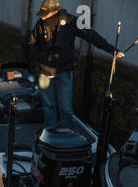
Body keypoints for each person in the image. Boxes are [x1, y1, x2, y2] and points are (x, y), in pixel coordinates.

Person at [28, 0, 125, 128]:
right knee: (48, 107)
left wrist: (112, 50)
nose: (43, 17)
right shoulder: (40, 24)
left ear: (55, 11)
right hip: (45, 73)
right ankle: (49, 134)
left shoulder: (71, 21)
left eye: (45, 14)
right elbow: (32, 44)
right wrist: (40, 60)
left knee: (66, 107)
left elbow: (91, 36)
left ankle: (66, 134)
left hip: (64, 72)